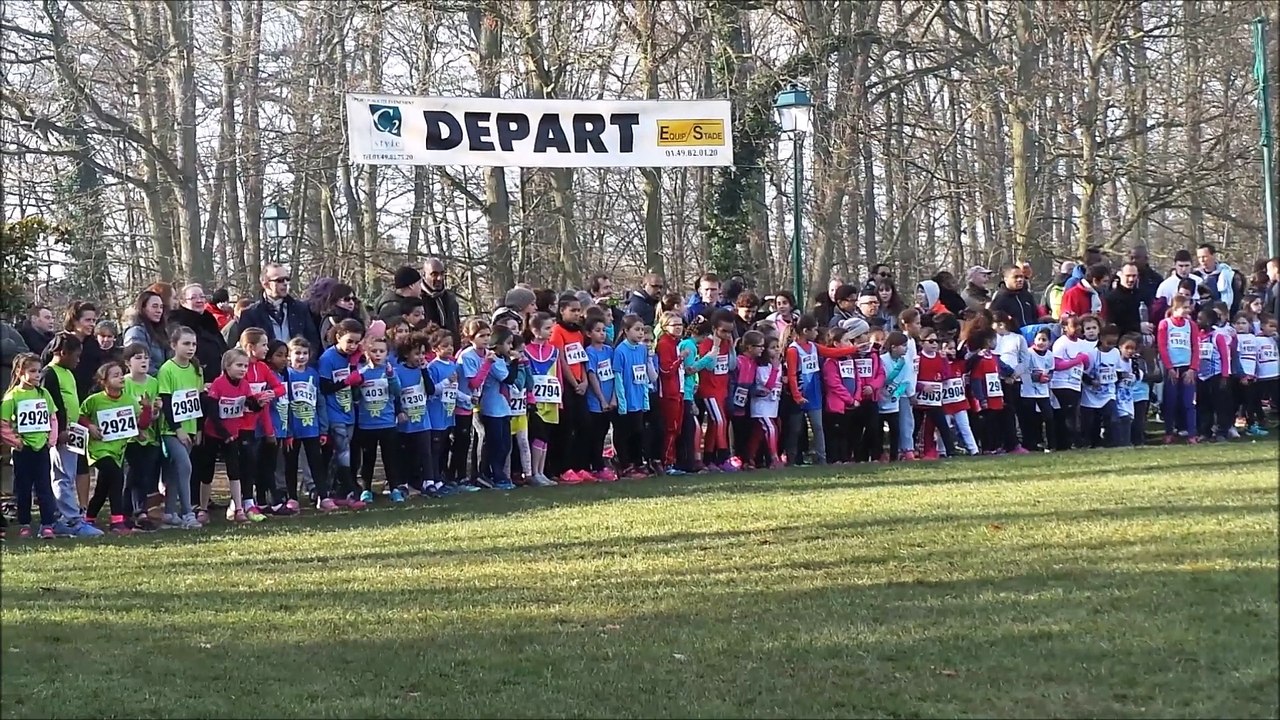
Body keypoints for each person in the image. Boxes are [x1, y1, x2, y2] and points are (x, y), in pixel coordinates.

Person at [1, 353, 61, 539]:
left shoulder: (44, 394)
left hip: (41, 448)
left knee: (44, 487)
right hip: (23, 450)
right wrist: (15, 441)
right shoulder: (12, 396)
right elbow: (3, 423)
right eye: (32, 371)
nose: (37, 375)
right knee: (24, 488)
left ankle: (47, 524)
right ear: (20, 372)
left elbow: (53, 418)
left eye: (39, 371)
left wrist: (51, 439)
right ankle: (25, 524)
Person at [223, 263, 323, 352]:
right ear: (265, 283)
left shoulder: (301, 309)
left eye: (287, 279)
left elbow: (313, 341)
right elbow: (246, 349)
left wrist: (305, 363)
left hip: (298, 368)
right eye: (279, 280)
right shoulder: (250, 314)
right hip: (265, 369)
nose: (285, 283)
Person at [170, 284, 228, 384]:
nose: (199, 300)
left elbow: (222, 345)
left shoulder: (209, 320)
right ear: (183, 301)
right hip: (194, 378)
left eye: (202, 297)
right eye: (193, 298)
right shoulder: (178, 322)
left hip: (217, 377)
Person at [121, 290, 173, 376]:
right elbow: (140, 363)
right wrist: (162, 379)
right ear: (143, 308)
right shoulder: (136, 332)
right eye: (154, 306)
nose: (159, 311)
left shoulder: (162, 332)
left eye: (161, 307)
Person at [1192, 243, 1243, 315]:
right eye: (1199, 257)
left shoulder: (1228, 275)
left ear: (1213, 256)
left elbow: (1236, 298)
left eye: (1205, 257)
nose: (1202, 260)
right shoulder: (1195, 275)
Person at [421, 257, 463, 343]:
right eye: (434, 274)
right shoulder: (418, 299)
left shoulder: (450, 299)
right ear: (424, 275)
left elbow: (456, 326)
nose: (439, 278)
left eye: (442, 274)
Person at [1104, 263, 1148, 337]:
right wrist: (1138, 327)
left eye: (1134, 276)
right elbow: (1114, 324)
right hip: (1121, 340)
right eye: (1128, 276)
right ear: (1121, 275)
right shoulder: (1112, 297)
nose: (1131, 279)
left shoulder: (1141, 294)